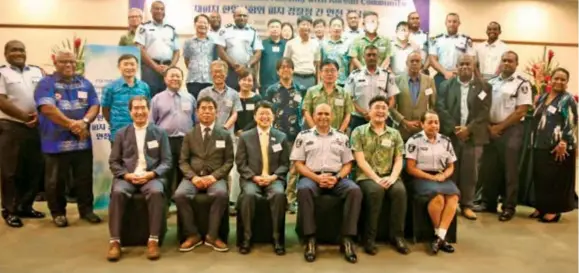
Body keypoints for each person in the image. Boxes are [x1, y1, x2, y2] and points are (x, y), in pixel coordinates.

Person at [34, 49, 101, 227]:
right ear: (56, 63)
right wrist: (73, 124)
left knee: (84, 178)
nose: (69, 65)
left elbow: (95, 104)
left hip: (82, 142)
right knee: (56, 181)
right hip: (55, 143)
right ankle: (58, 213)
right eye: (64, 62)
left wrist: (85, 121)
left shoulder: (84, 83)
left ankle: (86, 210)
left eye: (72, 61)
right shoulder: (46, 83)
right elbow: (47, 109)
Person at [291, 103, 362, 264]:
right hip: (312, 177)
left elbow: (348, 164)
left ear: (332, 116)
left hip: (336, 177)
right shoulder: (303, 136)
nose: (323, 117)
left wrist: (336, 178)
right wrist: (317, 179)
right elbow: (299, 164)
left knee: (355, 191)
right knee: (303, 190)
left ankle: (347, 238)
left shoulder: (341, 137)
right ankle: (310, 239)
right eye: (320, 114)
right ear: (313, 116)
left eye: (327, 114)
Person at [106, 96, 171, 261]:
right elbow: (114, 162)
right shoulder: (121, 133)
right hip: (127, 177)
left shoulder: (160, 133)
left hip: (151, 177)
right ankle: (115, 241)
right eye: (136, 108)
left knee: (157, 192)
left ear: (149, 110)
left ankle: (153, 240)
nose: (140, 111)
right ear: (130, 112)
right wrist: (126, 175)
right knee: (117, 193)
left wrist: (152, 174)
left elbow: (167, 161)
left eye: (143, 108)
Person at [474, 51, 532, 222]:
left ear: (516, 63)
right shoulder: (491, 82)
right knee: (489, 168)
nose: (506, 63)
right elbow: (481, 105)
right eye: (504, 60)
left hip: (511, 130)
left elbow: (522, 110)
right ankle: (488, 202)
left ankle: (508, 206)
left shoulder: (522, 84)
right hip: (490, 128)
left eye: (510, 61)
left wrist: (500, 127)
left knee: (510, 170)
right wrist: (489, 127)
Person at [350, 96, 410, 256]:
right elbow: (360, 160)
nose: (381, 111)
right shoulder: (358, 132)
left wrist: (392, 177)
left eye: (384, 108)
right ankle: (369, 239)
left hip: (390, 175)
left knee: (400, 191)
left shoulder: (395, 134)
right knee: (375, 191)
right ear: (369, 111)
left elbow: (399, 159)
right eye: (377, 107)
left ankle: (397, 237)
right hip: (366, 177)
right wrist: (376, 179)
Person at [174, 96, 233, 252]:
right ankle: (192, 234)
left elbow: (229, 161)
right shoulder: (189, 135)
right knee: (180, 195)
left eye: (210, 108)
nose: (207, 112)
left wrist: (213, 177)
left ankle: (212, 236)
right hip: (192, 176)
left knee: (221, 194)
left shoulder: (224, 134)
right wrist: (193, 177)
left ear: (216, 112)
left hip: (215, 177)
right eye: (203, 109)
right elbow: (183, 161)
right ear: (197, 112)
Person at [436, 54, 491, 220]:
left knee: (470, 171)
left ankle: (467, 205)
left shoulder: (484, 87)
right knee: (450, 170)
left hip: (472, 136)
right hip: (451, 135)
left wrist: (468, 129)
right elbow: (440, 106)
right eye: (461, 64)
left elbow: (484, 111)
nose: (465, 67)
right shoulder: (446, 85)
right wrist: (455, 129)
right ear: (456, 66)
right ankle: (450, 203)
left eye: (468, 64)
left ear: (474, 65)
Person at [0, 40, 45, 228]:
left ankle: (26, 206)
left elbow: (46, 94)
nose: (18, 53)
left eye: (21, 50)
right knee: (10, 171)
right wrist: (24, 117)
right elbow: (1, 100)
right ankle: (9, 210)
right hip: (11, 126)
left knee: (33, 169)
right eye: (14, 50)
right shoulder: (2, 73)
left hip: (36, 126)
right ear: (6, 53)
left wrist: (39, 115)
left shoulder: (37, 71)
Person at [236, 101, 290, 255]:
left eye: (268, 114)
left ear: (273, 116)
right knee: (248, 195)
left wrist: (273, 177)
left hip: (274, 179)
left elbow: (285, 163)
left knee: (279, 195)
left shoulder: (281, 137)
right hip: (251, 179)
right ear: (255, 116)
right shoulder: (245, 137)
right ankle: (246, 238)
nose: (264, 117)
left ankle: (277, 238)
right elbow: (240, 163)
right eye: (261, 114)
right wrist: (254, 177)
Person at [405, 110, 459, 255]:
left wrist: (444, 175)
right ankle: (442, 237)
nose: (434, 125)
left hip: (441, 176)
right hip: (421, 177)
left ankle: (439, 236)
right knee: (438, 199)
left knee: (453, 196)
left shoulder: (446, 141)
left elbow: (451, 166)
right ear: (422, 124)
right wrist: (431, 178)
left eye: (436, 122)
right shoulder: (414, 140)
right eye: (430, 122)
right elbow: (410, 168)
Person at [530, 68, 577, 223]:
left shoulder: (567, 99)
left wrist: (564, 141)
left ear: (567, 82)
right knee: (542, 178)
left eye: (563, 79)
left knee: (556, 180)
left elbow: (571, 122)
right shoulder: (543, 97)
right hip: (540, 144)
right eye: (556, 78)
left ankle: (553, 210)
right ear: (551, 80)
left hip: (559, 147)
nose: (559, 82)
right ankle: (542, 206)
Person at [264, 57, 307, 213]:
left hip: (296, 135)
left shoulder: (301, 89)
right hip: (276, 136)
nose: (285, 70)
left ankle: (291, 200)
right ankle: (277, 198)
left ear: (293, 70)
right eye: (282, 67)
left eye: (288, 67)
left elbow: (304, 111)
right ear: (277, 71)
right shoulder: (271, 90)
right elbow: (266, 112)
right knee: (277, 167)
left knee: (294, 169)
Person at [149, 67, 196, 204]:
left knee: (185, 171)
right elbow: (151, 123)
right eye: (172, 76)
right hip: (165, 141)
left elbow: (195, 120)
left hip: (186, 141)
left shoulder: (190, 98)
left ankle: (182, 202)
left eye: (178, 76)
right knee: (166, 172)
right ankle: (165, 203)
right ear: (165, 79)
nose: (175, 78)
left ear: (182, 79)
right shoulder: (157, 99)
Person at [346, 45, 398, 130]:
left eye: (374, 55)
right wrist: (363, 112)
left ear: (379, 57)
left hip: (382, 119)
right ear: (363, 57)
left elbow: (392, 99)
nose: (371, 57)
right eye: (369, 55)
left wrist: (381, 113)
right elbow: (349, 99)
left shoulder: (387, 75)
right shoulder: (354, 75)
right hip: (360, 119)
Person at [101, 54, 151, 143]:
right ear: (119, 67)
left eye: (132, 64)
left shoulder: (144, 87)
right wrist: (115, 123)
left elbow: (147, 107)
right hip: (118, 134)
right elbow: (105, 110)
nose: (129, 67)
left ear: (137, 66)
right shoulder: (110, 88)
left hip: (140, 133)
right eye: (126, 64)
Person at [134, 0, 180, 96]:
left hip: (168, 68)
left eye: (161, 9)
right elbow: (140, 48)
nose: (159, 11)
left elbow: (177, 51)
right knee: (149, 97)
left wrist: (170, 67)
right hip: (149, 68)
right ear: (151, 11)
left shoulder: (171, 28)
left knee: (168, 98)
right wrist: (155, 66)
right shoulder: (143, 27)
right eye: (156, 8)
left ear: (164, 11)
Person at [390, 51, 436, 141]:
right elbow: (391, 107)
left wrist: (425, 121)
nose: (414, 63)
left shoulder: (429, 81)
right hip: (401, 129)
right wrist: (404, 122)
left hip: (422, 129)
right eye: (412, 61)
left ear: (421, 64)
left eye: (417, 61)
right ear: (407, 63)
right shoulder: (396, 80)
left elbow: (433, 105)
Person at [216, 7, 263, 90]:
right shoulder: (225, 29)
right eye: (239, 15)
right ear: (234, 17)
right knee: (230, 98)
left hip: (247, 71)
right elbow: (220, 50)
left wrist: (247, 65)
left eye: (244, 16)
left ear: (248, 17)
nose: (242, 18)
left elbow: (258, 52)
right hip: (230, 71)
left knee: (248, 99)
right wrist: (234, 65)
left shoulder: (253, 31)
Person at [302, 59, 352, 132]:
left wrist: (340, 132)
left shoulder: (344, 93)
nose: (329, 73)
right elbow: (306, 112)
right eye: (326, 70)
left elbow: (348, 114)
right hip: (315, 134)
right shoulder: (311, 91)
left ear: (338, 73)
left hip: (337, 135)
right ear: (320, 73)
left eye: (333, 70)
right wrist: (315, 130)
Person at [429, 13, 475, 90]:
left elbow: (472, 59)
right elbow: (432, 59)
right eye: (449, 21)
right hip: (441, 76)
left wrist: (458, 71)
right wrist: (445, 73)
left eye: (454, 21)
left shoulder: (466, 39)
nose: (452, 24)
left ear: (459, 23)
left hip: (460, 76)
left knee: (459, 101)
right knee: (440, 101)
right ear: (445, 23)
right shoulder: (436, 39)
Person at [198, 60, 242, 134]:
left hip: (227, 134)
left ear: (226, 74)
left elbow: (235, 114)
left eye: (221, 71)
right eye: (215, 72)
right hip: (208, 134)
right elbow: (199, 113)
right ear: (211, 74)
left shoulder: (234, 94)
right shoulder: (204, 93)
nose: (218, 74)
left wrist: (224, 128)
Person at [283, 16, 321, 90]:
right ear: (298, 27)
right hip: (295, 78)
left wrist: (318, 82)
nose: (306, 27)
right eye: (303, 24)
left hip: (310, 78)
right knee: (295, 100)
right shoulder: (290, 44)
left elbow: (317, 65)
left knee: (310, 101)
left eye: (308, 25)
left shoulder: (316, 44)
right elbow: (286, 63)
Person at [183, 14, 215, 99]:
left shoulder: (213, 42)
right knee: (195, 106)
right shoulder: (188, 42)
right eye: (200, 22)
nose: (203, 25)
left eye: (205, 23)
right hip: (193, 80)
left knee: (208, 106)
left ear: (208, 25)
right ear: (195, 24)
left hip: (209, 80)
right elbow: (186, 60)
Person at [258, 19, 287, 95]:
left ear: (281, 30)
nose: (275, 29)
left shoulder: (286, 44)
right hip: (265, 83)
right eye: (272, 27)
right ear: (268, 29)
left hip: (283, 82)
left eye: (277, 27)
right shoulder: (262, 43)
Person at [320, 17, 350, 87]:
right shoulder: (323, 44)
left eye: (339, 26)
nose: (336, 28)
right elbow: (320, 64)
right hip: (326, 81)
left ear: (343, 28)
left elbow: (350, 65)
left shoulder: (348, 44)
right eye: (334, 25)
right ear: (329, 28)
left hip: (343, 82)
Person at [235, 71, 261, 136]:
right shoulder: (234, 97)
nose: (246, 83)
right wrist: (236, 131)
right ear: (239, 81)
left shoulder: (257, 98)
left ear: (253, 83)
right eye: (244, 80)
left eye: (249, 80)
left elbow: (258, 117)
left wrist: (244, 131)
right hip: (235, 134)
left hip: (253, 133)